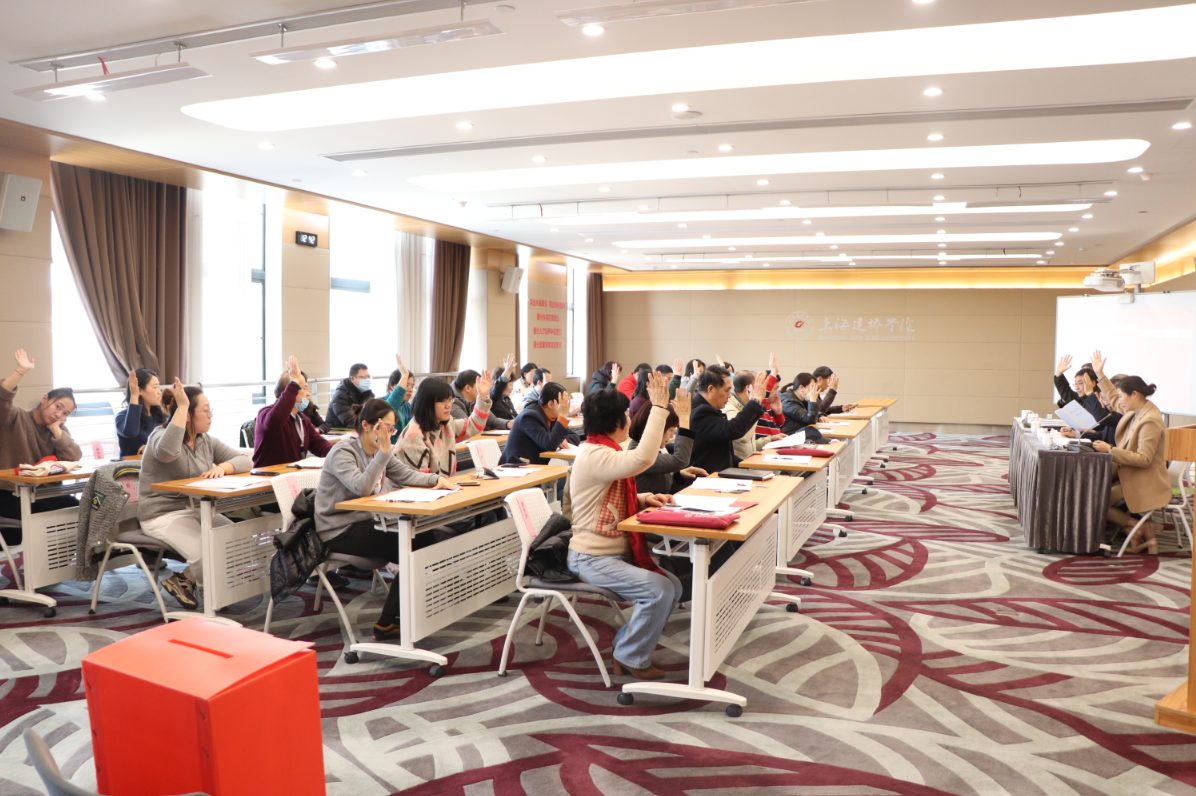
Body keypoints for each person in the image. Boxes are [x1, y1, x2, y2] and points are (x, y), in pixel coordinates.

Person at [567, 371, 682, 680]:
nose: (630, 420)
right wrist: (659, 408)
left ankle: (626, 648)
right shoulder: (594, 454)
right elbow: (642, 459)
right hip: (591, 556)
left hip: (609, 554)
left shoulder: (604, 451)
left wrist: (643, 498)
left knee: (673, 586)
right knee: (660, 589)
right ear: (615, 422)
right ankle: (631, 656)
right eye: (626, 415)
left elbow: (606, 496)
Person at [315, 398, 454, 640]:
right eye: (385, 428)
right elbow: (362, 487)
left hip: (365, 524)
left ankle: (395, 618)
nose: (389, 433)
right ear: (367, 426)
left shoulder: (376, 452)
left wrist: (436, 480)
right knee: (415, 544)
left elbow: (405, 474)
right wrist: (384, 451)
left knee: (422, 540)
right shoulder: (343, 451)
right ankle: (389, 620)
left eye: (391, 429)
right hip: (338, 530)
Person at [137, 380, 252, 609]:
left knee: (237, 541)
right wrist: (181, 407)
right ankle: (210, 596)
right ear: (188, 415)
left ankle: (183, 580)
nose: (211, 415)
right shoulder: (159, 436)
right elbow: (168, 452)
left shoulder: (205, 440)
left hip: (198, 509)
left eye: (211, 410)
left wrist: (223, 467)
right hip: (162, 514)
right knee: (203, 551)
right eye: (205, 410)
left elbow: (244, 459)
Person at [1089, 355, 1171, 555]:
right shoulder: (1136, 410)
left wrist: (1110, 450)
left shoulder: (1149, 420)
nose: (1118, 401)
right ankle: (1140, 528)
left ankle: (1139, 527)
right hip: (1130, 474)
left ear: (1134, 394)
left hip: (1145, 479)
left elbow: (1144, 459)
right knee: (1095, 495)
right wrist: (1099, 374)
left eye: (1122, 396)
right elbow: (1113, 397)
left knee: (1097, 501)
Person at [0, 349, 82, 539]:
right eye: (57, 407)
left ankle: (76, 556)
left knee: (81, 510)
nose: (58, 414)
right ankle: (46, 558)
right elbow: (2, 399)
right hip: (9, 493)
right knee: (50, 517)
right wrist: (21, 371)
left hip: (45, 492)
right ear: (45, 399)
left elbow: (74, 458)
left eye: (65, 413)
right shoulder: (15, 417)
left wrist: (56, 431)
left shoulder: (58, 429)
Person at [397, 373, 495, 475]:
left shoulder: (446, 424)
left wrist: (482, 397)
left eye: (450, 400)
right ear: (427, 403)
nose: (448, 406)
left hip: (444, 484)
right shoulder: (414, 436)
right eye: (443, 401)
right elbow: (419, 480)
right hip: (427, 484)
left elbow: (473, 426)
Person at [689, 362, 772, 475]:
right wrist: (756, 400)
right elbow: (733, 429)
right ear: (711, 389)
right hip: (704, 478)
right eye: (727, 390)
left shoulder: (707, 408)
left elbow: (718, 450)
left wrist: (743, 462)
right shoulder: (700, 412)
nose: (729, 395)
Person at [253, 356, 335, 468]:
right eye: (304, 388)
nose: (308, 393)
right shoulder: (264, 413)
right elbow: (277, 419)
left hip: (292, 474)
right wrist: (294, 382)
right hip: (269, 476)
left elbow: (321, 446)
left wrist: (344, 454)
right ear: (290, 390)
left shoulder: (302, 419)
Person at [627, 387, 706, 494]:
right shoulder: (639, 451)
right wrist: (684, 419)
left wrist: (678, 475)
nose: (671, 436)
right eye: (671, 430)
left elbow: (656, 482)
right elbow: (680, 460)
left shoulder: (654, 447)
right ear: (658, 427)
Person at [500, 382, 580, 465]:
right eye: (563, 404)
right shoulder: (530, 417)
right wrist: (562, 416)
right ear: (551, 404)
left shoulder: (553, 416)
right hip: (516, 466)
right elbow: (550, 445)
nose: (566, 408)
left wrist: (561, 440)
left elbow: (575, 437)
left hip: (534, 466)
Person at [725, 369, 783, 464]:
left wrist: (770, 439)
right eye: (759, 387)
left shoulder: (745, 404)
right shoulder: (730, 407)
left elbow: (750, 444)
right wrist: (754, 407)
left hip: (748, 460)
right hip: (738, 465)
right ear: (748, 388)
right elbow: (742, 437)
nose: (764, 390)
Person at [116, 368, 168, 457]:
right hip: (132, 464)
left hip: (158, 463)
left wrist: (151, 448)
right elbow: (131, 432)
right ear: (139, 390)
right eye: (155, 387)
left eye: (158, 387)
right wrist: (134, 396)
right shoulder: (121, 416)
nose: (159, 392)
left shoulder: (163, 416)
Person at [1054, 355, 1106, 421]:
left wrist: (1100, 373)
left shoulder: (1101, 399)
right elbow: (1066, 393)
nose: (1077, 388)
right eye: (1075, 384)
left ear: (1093, 383)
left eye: (1080, 383)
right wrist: (1059, 374)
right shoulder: (1081, 398)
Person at [780, 374, 829, 441]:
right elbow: (810, 420)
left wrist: (820, 415)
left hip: (801, 435)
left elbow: (808, 413)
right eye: (812, 387)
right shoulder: (788, 402)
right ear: (801, 387)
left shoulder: (802, 398)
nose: (814, 390)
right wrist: (812, 400)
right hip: (790, 438)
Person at [326, 363, 374, 429]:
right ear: (352, 379)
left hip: (358, 430)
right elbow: (350, 423)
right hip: (338, 432)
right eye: (363, 377)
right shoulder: (340, 396)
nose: (367, 380)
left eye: (368, 376)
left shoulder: (368, 395)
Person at [382, 354, 415, 443]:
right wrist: (405, 375)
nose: (410, 389)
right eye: (406, 385)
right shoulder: (380, 402)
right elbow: (390, 409)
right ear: (393, 386)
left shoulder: (407, 406)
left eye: (412, 386)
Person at [489, 354, 521, 422]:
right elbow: (498, 387)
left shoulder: (506, 399)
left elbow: (515, 417)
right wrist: (507, 372)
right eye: (510, 385)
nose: (512, 388)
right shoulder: (492, 398)